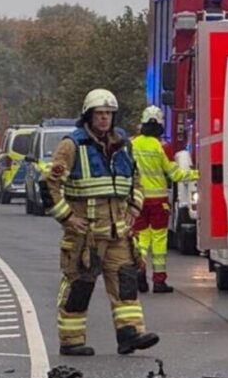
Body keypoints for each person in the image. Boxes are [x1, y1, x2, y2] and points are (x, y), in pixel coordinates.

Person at [45, 89, 161, 356]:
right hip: (85, 238)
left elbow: (136, 181)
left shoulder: (123, 144)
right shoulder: (72, 145)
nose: (104, 119)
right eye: (99, 114)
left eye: (108, 114)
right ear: (88, 115)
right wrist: (67, 217)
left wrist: (134, 206)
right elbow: (49, 185)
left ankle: (130, 334)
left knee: (126, 284)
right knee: (79, 287)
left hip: (118, 233)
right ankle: (72, 341)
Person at [130, 105, 198, 294]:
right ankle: (159, 281)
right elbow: (174, 174)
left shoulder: (132, 144)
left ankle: (139, 270)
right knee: (159, 240)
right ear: (160, 125)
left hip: (138, 200)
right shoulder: (162, 147)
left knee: (141, 238)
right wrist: (196, 175)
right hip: (158, 201)